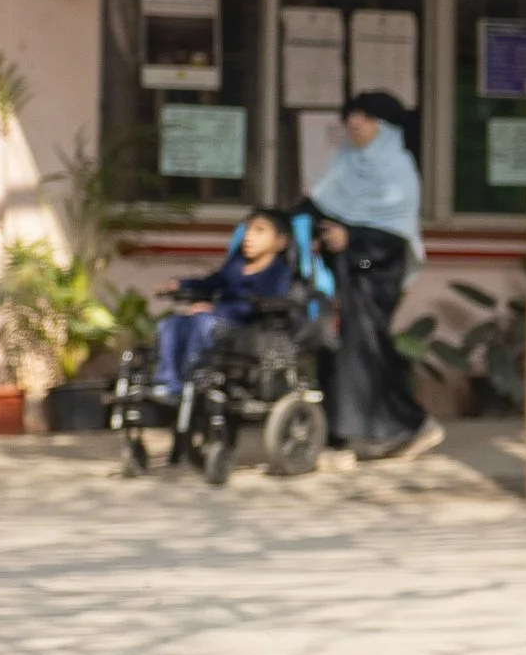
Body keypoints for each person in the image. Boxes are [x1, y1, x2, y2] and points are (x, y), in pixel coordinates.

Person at [305, 91, 442, 461]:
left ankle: (356, 436)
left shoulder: (398, 171)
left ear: (387, 127)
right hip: (339, 274)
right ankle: (372, 430)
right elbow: (315, 206)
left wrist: (352, 244)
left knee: (360, 351)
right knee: (339, 350)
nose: (354, 124)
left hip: (371, 273)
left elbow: (392, 246)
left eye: (364, 117)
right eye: (351, 116)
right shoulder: (343, 164)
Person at [151, 207, 294, 400]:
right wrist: (179, 284)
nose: (249, 236)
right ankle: (168, 384)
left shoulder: (278, 273)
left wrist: (215, 310)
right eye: (248, 229)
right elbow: (212, 282)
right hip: (216, 320)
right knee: (171, 323)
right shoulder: (237, 264)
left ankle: (196, 382)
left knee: (202, 322)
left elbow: (260, 305)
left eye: (259, 231)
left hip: (249, 328)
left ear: (280, 242)